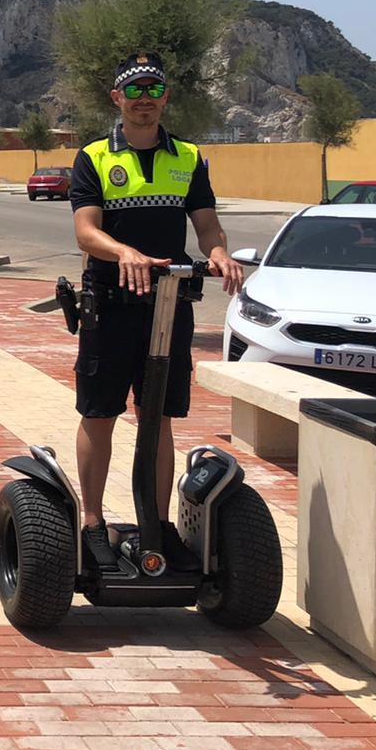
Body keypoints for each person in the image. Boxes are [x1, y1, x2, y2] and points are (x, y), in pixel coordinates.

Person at [68, 52, 245, 568]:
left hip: (168, 305)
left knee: (158, 417)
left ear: (165, 96)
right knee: (99, 413)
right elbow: (85, 230)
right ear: (117, 98)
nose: (144, 100)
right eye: (134, 90)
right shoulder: (95, 156)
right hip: (110, 303)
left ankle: (157, 524)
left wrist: (217, 253)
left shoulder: (188, 156)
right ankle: (94, 523)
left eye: (154, 90)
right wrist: (122, 251)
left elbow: (207, 224)